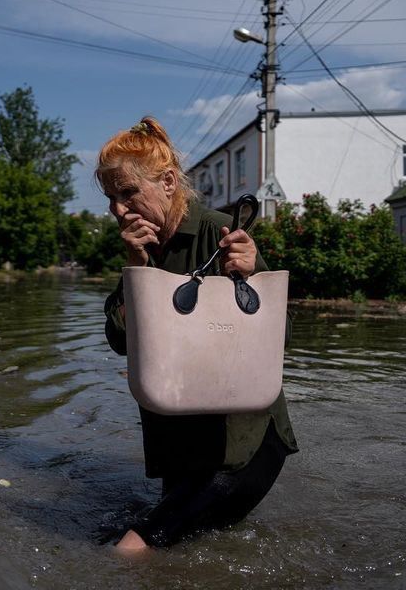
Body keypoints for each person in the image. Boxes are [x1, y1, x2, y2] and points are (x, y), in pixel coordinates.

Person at [97, 116, 298, 553]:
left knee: (132, 550)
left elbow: (279, 336)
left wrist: (250, 270)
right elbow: (119, 342)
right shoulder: (143, 246)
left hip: (241, 445)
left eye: (128, 192)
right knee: (182, 551)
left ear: (168, 182)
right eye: (110, 197)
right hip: (181, 445)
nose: (117, 209)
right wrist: (136, 267)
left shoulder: (217, 230)